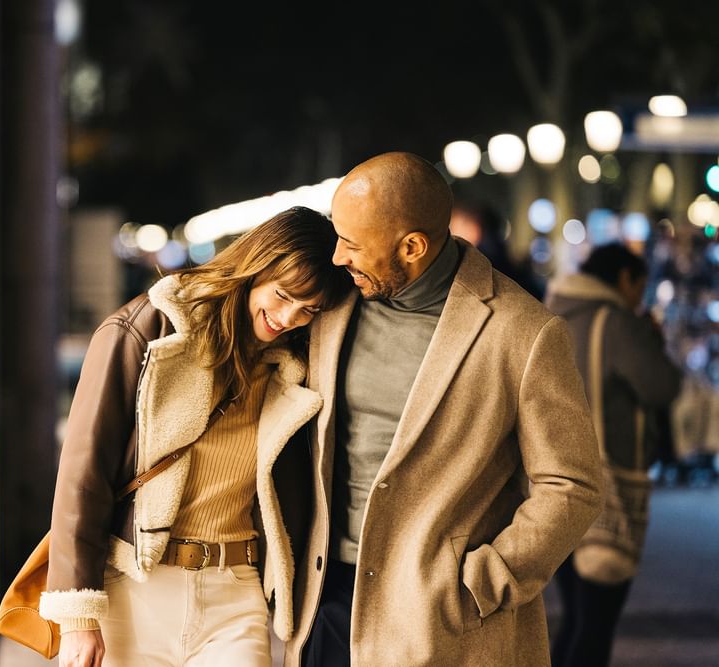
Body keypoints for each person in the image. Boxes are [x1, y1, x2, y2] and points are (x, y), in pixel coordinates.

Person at [283, 152, 604, 666]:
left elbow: (572, 483)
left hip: (443, 618)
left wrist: (487, 580)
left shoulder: (523, 331)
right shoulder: (331, 302)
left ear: (412, 246)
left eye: (353, 244)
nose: (338, 256)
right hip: (326, 599)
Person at [39, 206, 353, 667]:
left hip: (235, 593)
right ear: (254, 266)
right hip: (134, 589)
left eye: (309, 310)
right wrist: (77, 617)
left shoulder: (291, 367)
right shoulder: (148, 330)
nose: (288, 317)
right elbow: (84, 472)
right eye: (283, 295)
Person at [546, 243, 682, 667]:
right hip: (606, 486)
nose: (640, 297)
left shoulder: (552, 314)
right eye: (640, 286)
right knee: (596, 622)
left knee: (576, 616)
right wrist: (652, 338)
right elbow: (661, 386)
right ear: (625, 279)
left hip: (553, 483)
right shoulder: (618, 323)